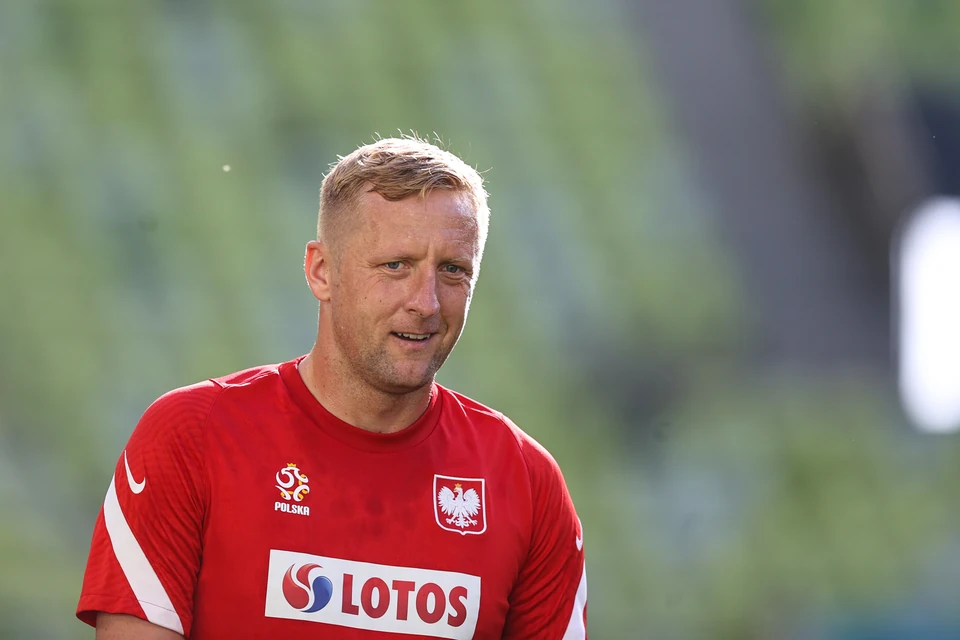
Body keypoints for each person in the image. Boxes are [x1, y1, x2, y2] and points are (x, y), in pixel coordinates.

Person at [77, 136, 587, 639]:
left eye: (452, 270)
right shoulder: (192, 437)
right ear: (321, 272)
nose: (427, 302)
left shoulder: (526, 481)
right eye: (396, 266)